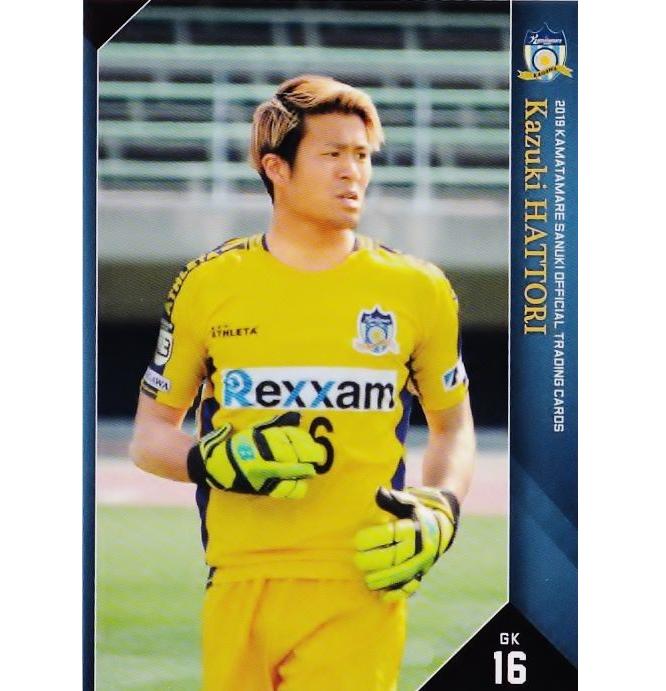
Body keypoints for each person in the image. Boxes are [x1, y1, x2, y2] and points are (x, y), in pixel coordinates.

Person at [130, 74, 476, 691]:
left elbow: (454, 428)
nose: (353, 173)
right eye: (332, 153)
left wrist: (442, 507)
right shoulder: (207, 284)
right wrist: (213, 460)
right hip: (236, 579)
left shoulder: (418, 289)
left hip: (361, 580)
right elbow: (149, 437)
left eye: (362, 155)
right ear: (277, 168)